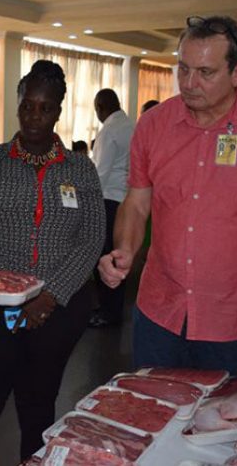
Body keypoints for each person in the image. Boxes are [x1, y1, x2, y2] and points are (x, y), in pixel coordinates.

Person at [98, 15, 237, 377]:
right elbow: (137, 203)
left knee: (223, 426)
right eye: (183, 69)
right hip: (160, 314)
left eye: (205, 72)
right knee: (153, 419)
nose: (189, 84)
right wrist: (124, 250)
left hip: (234, 321)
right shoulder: (154, 125)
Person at [0, 60, 105, 463]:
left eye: (45, 108)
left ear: (59, 110)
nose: (34, 117)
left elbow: (92, 237)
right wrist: (14, 293)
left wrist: (49, 295)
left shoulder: (80, 169)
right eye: (27, 106)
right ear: (18, 104)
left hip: (59, 309)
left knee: (38, 400)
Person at [88, 88, 135, 329]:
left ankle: (107, 311)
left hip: (107, 201)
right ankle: (111, 307)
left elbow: (100, 173)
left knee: (105, 259)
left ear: (100, 107)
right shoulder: (131, 125)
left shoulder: (108, 131)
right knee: (119, 258)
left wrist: (87, 205)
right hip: (127, 200)